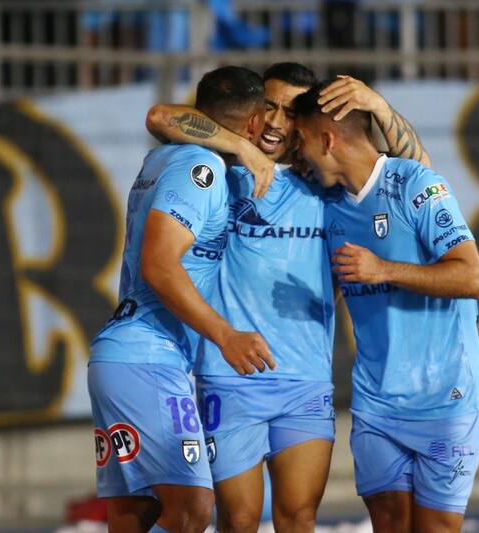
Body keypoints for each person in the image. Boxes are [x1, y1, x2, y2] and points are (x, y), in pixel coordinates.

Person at [145, 63, 431, 533]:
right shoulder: (223, 167)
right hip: (230, 375)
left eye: (291, 111)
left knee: (299, 517)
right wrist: (240, 147)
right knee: (239, 520)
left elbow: (420, 177)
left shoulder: (326, 180)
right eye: (268, 106)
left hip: (305, 379)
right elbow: (159, 117)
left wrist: (379, 107)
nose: (276, 121)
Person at [293, 84, 479, 533]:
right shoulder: (328, 206)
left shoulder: (417, 185)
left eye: (301, 141)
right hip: (376, 401)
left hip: (445, 397)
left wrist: (383, 269)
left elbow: (472, 277)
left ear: (327, 140)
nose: (299, 155)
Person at [87, 66, 274, 533]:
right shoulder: (199, 170)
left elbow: (162, 118)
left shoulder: (166, 158)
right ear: (254, 123)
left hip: (127, 357)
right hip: (147, 355)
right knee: (192, 508)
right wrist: (225, 335)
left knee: (138, 513)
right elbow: (159, 264)